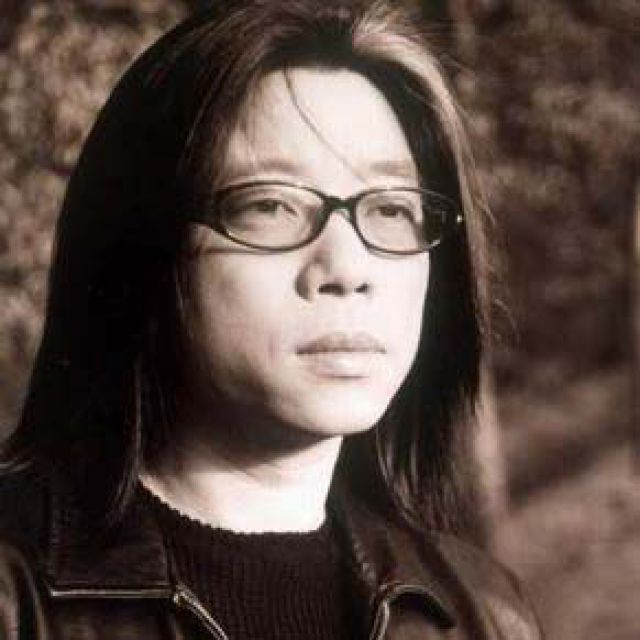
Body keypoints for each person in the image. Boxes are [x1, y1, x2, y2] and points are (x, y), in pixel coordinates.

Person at [0, 0, 543, 638]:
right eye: (271, 206)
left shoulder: (486, 613)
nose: (348, 268)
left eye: (392, 209)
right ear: (144, 245)